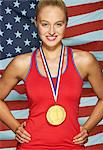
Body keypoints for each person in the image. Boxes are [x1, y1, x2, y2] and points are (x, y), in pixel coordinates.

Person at [0, 0, 103, 149]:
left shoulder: (84, 61)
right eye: (45, 24)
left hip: (71, 145)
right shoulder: (22, 63)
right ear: (36, 23)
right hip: (31, 145)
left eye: (58, 24)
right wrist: (16, 127)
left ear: (66, 24)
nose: (52, 31)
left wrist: (87, 128)